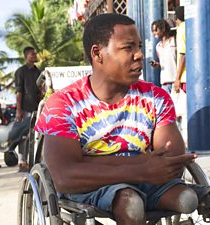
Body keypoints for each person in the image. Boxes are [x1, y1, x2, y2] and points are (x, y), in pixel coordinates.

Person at [34, 13, 198, 225]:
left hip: (147, 183)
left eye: (139, 47)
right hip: (90, 189)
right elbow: (64, 177)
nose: (139, 55)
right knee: (129, 202)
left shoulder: (156, 98)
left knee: (188, 199)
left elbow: (170, 163)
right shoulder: (63, 104)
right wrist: (142, 166)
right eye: (128, 48)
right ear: (97, 54)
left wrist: (89, 162)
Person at [14, 46, 42, 172]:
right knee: (23, 136)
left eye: (35, 53)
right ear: (26, 56)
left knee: (35, 136)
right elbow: (19, 92)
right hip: (25, 109)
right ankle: (21, 162)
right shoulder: (21, 71)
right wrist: (18, 110)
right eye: (32, 54)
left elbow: (41, 91)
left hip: (37, 109)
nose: (35, 55)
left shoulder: (39, 72)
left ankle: (32, 162)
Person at [149, 19, 177, 93]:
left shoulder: (174, 41)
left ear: (162, 29)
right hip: (164, 83)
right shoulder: (158, 46)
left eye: (155, 30)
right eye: (153, 31)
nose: (154, 33)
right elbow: (163, 63)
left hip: (176, 81)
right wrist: (157, 64)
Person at [174, 6, 186, 93]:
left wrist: (177, 78)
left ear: (176, 18)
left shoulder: (181, 29)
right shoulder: (190, 26)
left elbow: (182, 54)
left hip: (185, 76)